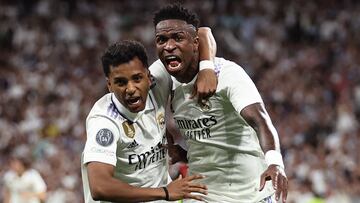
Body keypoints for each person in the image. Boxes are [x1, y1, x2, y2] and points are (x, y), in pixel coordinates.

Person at [150, 4, 288, 203]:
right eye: (161, 40)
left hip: (251, 194)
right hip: (202, 195)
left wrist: (275, 163)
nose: (168, 46)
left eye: (178, 38)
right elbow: (143, 108)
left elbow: (260, 120)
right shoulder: (163, 76)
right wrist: (169, 144)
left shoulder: (228, 74)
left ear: (195, 43)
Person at [81, 38, 217, 202]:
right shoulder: (104, 122)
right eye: (120, 82)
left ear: (148, 76)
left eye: (137, 78)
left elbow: (201, 34)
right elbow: (100, 187)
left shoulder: (158, 83)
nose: (130, 89)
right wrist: (166, 192)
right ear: (109, 85)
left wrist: (207, 68)